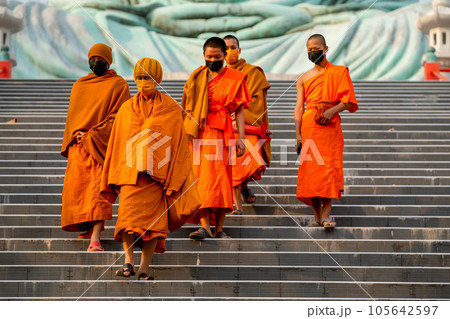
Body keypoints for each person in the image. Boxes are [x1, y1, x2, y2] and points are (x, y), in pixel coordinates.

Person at [101, 57, 201, 280]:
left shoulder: (170, 107)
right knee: (126, 221)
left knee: (154, 227)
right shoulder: (126, 108)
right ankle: (128, 262)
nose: (143, 82)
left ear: (157, 79)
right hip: (130, 176)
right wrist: (117, 173)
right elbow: (118, 142)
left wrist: (167, 174)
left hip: (157, 177)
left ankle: (144, 268)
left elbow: (176, 141)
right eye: (139, 77)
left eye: (148, 78)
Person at [60, 43, 130, 251]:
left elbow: (119, 118)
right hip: (79, 148)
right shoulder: (80, 84)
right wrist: (76, 135)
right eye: (92, 59)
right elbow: (73, 118)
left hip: (101, 146)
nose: (95, 63)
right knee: (78, 191)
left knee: (98, 193)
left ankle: (96, 237)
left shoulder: (118, 85)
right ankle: (86, 228)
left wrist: (92, 135)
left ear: (108, 61)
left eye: (99, 59)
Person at [182, 37, 251, 239]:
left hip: (222, 132)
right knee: (199, 180)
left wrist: (241, 138)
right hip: (199, 133)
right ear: (204, 56)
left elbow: (238, 110)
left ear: (225, 56)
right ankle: (205, 226)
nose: (213, 60)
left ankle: (219, 229)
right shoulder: (197, 77)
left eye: (217, 56)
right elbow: (186, 105)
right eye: (209, 56)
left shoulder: (236, 77)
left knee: (221, 180)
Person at [295, 34, 358, 229]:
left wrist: (332, 111)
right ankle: (316, 217)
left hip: (330, 127)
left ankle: (326, 215)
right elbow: (299, 107)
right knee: (312, 172)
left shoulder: (339, 72)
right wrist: (297, 135)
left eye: (316, 47)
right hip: (309, 126)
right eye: (309, 49)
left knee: (329, 169)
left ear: (326, 48)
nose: (312, 51)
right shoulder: (303, 78)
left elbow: (348, 100)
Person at [223, 35, 272, 214]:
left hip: (246, 125)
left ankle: (242, 189)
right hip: (223, 125)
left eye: (233, 47)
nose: (230, 51)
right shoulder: (216, 75)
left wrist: (240, 118)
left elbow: (258, 103)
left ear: (240, 50)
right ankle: (238, 205)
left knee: (245, 150)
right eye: (226, 48)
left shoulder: (252, 72)